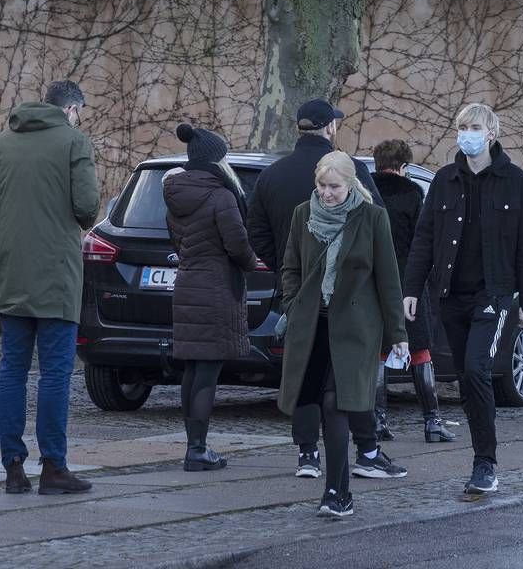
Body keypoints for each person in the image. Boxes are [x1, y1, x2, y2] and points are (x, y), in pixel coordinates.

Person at [403, 103, 523, 498]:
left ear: (491, 133)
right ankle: (482, 453)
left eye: (475, 126)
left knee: (478, 370)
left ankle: (486, 463)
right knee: (466, 375)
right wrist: (411, 288)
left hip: (494, 295)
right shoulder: (446, 180)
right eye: (462, 126)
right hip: (450, 295)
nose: (467, 133)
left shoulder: (515, 181)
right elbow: (425, 238)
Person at [0, 79, 99, 496]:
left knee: (12, 372)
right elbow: (87, 207)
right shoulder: (74, 142)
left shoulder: (1, 141)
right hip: (56, 275)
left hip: (12, 271)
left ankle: (13, 468)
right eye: (80, 112)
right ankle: (54, 467)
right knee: (54, 374)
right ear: (70, 109)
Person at [252, 99, 383, 477]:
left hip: (296, 293)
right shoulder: (349, 169)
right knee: (346, 378)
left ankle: (307, 453)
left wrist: (287, 273)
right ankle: (367, 451)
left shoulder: (271, 174)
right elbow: (378, 225)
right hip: (348, 296)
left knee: (305, 372)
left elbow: (255, 232)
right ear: (329, 128)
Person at [279, 152, 409, 519]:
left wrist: (397, 332)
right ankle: (335, 485)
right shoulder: (303, 214)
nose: (327, 194)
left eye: (334, 187)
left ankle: (337, 492)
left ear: (351, 184)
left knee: (337, 404)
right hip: (312, 327)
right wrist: (293, 305)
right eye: (321, 185)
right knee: (316, 404)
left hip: (356, 330)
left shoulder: (372, 217)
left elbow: (388, 279)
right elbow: (290, 266)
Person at [165, 124, 260, 471]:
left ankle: (193, 444)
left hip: (188, 283)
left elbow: (178, 242)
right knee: (208, 370)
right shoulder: (221, 196)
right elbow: (236, 243)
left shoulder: (174, 193)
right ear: (218, 160)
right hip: (217, 288)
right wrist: (252, 262)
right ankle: (198, 449)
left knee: (193, 367)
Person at [370, 139, 454, 443]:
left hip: (373, 279)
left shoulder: (366, 192)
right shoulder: (412, 194)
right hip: (408, 282)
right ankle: (432, 422)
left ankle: (377, 421)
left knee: (379, 351)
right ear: (404, 166)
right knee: (419, 351)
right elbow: (425, 242)